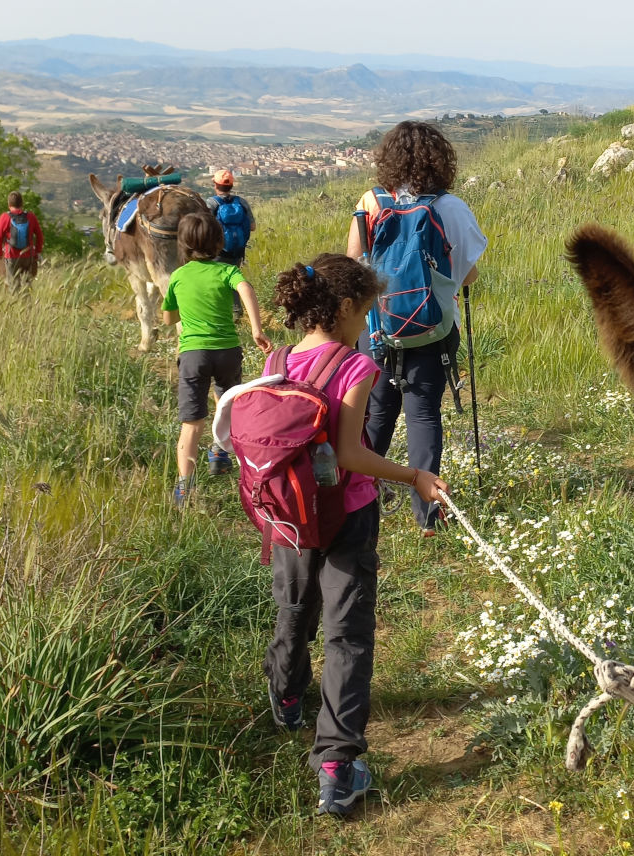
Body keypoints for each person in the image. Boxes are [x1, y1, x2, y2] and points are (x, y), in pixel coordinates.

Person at [236, 254, 449, 816]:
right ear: (347, 308)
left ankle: (285, 695)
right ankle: (337, 764)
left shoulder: (278, 358)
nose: (372, 320)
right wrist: (415, 476)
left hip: (286, 515)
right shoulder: (357, 368)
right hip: (346, 515)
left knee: (293, 608)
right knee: (347, 634)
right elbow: (353, 454)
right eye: (369, 309)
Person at [345, 121, 487, 537]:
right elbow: (470, 275)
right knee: (423, 414)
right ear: (440, 160)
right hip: (433, 328)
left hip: (377, 329)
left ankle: (360, 492)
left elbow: (354, 264)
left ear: (387, 158)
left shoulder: (370, 201)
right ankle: (427, 517)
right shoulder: (450, 207)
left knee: (378, 410)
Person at [161, 210, 270, 504]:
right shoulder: (227, 271)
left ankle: (185, 487)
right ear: (219, 241)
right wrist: (256, 329)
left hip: (194, 354)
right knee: (228, 405)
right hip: (227, 351)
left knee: (192, 422)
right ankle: (220, 453)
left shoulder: (179, 276)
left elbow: (168, 317)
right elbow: (245, 288)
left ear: (181, 244)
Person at [0, 190, 44, 291]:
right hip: (28, 256)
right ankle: (27, 305)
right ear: (22, 203)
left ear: (9, 204)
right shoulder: (30, 216)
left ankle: (16, 304)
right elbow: (39, 235)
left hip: (11, 256)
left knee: (13, 286)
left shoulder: (5, 217)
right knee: (26, 285)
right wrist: (37, 252)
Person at [206, 170, 256, 267]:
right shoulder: (241, 202)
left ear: (215, 185)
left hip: (216, 254)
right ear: (231, 186)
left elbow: (204, 229)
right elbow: (252, 227)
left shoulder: (211, 203)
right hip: (237, 254)